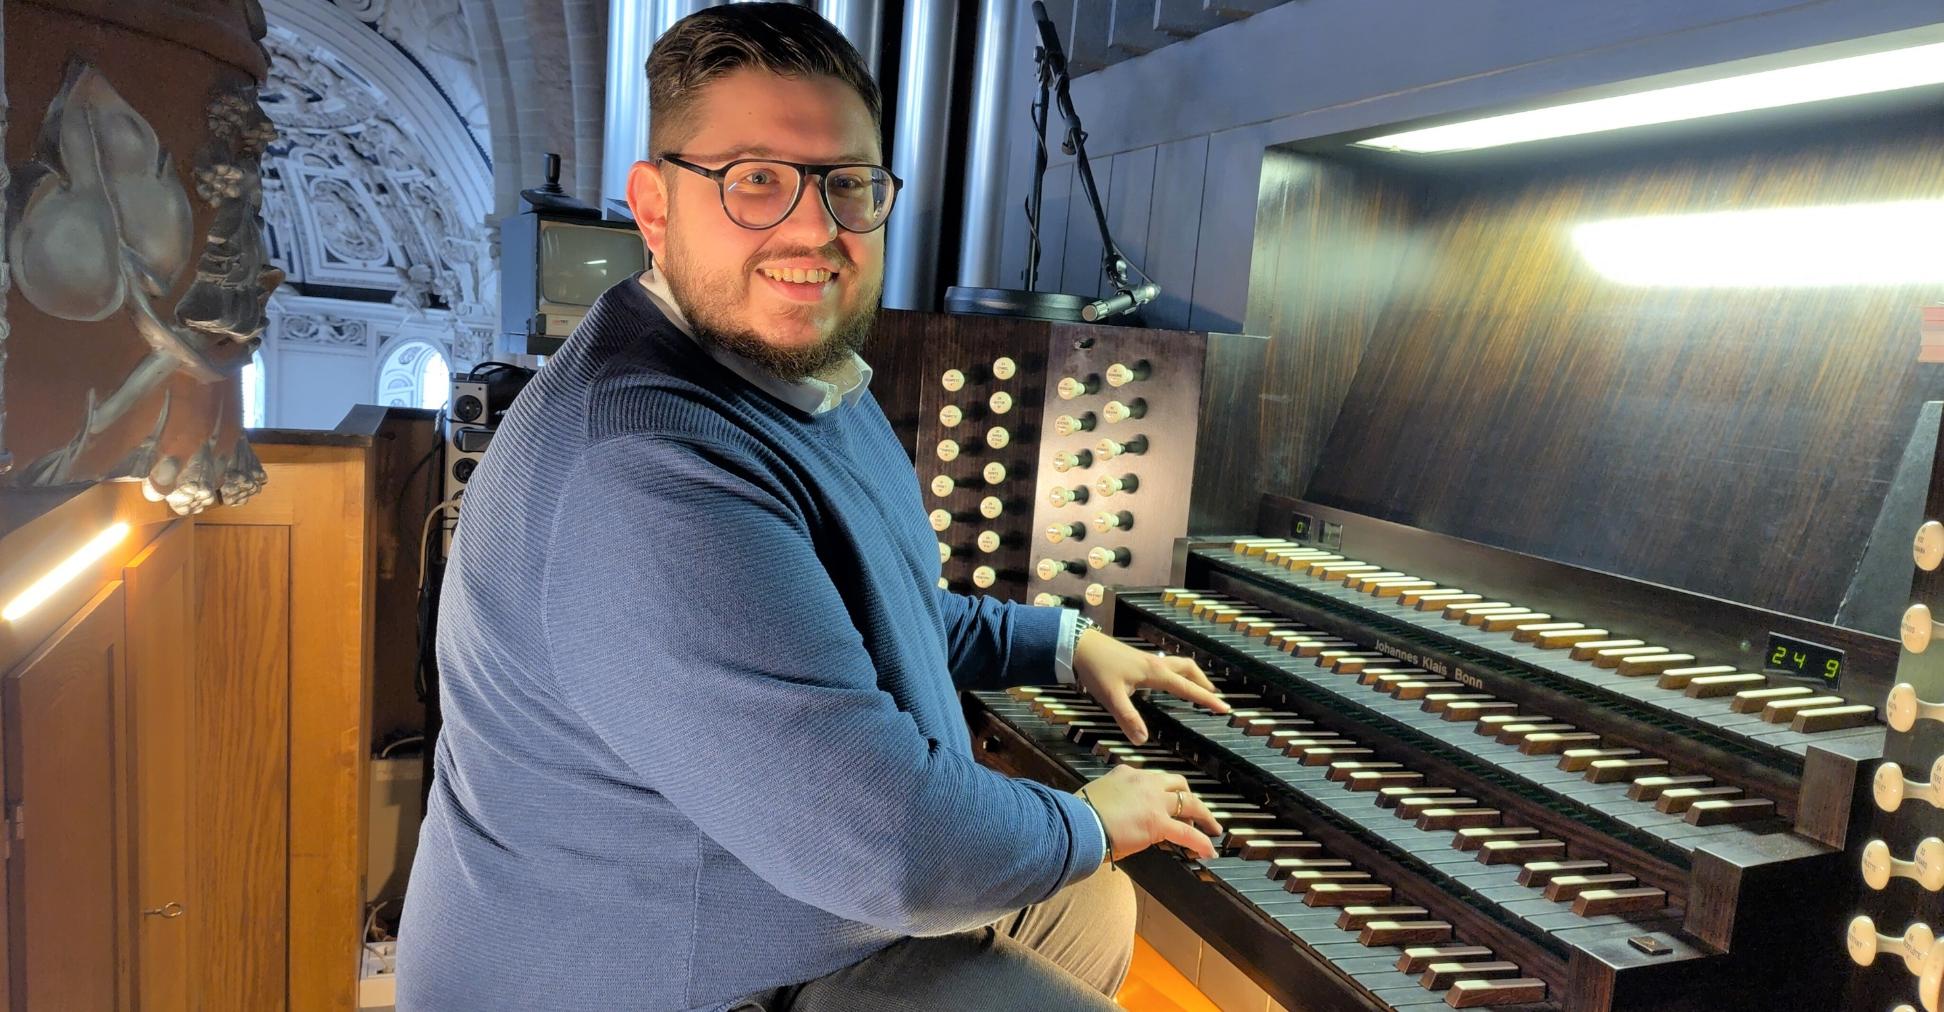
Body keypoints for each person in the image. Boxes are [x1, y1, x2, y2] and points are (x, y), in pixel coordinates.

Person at [398, 6, 1227, 1010]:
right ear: (654, 208)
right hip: (662, 969)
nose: (813, 229)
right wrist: (1090, 817)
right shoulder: (644, 464)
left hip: (789, 888)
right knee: (1074, 879)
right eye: (754, 179)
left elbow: (876, 613)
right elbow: (897, 846)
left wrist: (1063, 643)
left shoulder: (796, 369)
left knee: (1090, 907)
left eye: (848, 185)